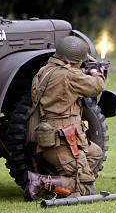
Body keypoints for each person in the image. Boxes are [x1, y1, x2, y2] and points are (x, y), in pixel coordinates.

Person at [24, 36, 105, 201]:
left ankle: (69, 182)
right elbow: (97, 86)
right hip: (63, 141)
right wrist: (96, 72)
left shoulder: (44, 71)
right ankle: (42, 182)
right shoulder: (69, 75)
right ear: (76, 61)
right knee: (86, 188)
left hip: (52, 137)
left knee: (95, 153)